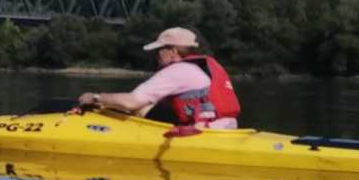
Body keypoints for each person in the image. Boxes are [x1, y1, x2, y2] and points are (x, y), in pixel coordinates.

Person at [76, 26, 240, 131]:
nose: (156, 55)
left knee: (140, 109)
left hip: (202, 134)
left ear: (173, 51)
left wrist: (96, 97)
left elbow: (131, 102)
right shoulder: (200, 68)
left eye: (159, 50)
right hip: (227, 129)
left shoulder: (176, 71)